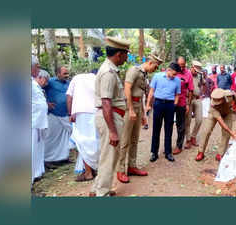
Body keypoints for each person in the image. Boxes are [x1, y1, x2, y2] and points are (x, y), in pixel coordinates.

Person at [89, 36, 130, 197]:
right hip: (110, 118)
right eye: (126, 54)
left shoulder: (110, 69)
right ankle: (102, 193)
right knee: (109, 157)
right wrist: (112, 131)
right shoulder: (108, 72)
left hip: (111, 117)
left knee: (107, 155)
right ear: (119, 54)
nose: (127, 58)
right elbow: (106, 102)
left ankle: (97, 188)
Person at [117, 53, 163, 183]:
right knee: (125, 140)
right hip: (129, 107)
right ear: (149, 63)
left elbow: (141, 95)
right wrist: (130, 109)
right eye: (155, 66)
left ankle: (132, 166)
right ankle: (120, 170)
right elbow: (127, 88)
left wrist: (143, 114)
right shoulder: (134, 70)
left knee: (134, 139)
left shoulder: (144, 74)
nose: (156, 69)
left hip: (138, 107)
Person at [66, 70, 100, 182]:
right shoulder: (96, 79)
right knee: (94, 141)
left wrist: (70, 113)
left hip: (80, 113)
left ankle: (88, 172)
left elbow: (69, 97)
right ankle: (94, 168)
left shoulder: (76, 78)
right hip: (95, 111)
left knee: (83, 141)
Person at [146, 62, 181, 162]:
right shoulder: (157, 76)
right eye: (174, 74)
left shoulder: (177, 80)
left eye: (176, 75)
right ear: (168, 70)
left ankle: (168, 152)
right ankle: (154, 153)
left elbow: (177, 94)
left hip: (170, 105)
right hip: (158, 104)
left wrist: (174, 105)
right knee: (156, 129)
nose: (175, 76)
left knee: (169, 129)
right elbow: (151, 91)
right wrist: (148, 104)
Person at [195, 88, 236, 162]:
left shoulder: (230, 96)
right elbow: (222, 124)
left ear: (223, 98)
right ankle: (200, 152)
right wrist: (233, 134)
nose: (215, 102)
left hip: (227, 113)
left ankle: (220, 153)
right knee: (206, 131)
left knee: (226, 135)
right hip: (214, 114)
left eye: (218, 100)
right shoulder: (212, 106)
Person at [43, 65, 72, 167]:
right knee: (51, 137)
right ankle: (48, 159)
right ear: (58, 74)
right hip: (53, 114)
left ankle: (63, 157)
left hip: (66, 114)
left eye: (67, 73)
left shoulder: (69, 83)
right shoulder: (50, 82)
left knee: (65, 137)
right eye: (64, 74)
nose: (67, 75)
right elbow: (38, 90)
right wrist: (45, 103)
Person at [173, 57, 194, 155]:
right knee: (168, 124)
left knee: (180, 125)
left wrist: (188, 104)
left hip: (181, 102)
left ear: (185, 64)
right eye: (180, 65)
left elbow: (191, 90)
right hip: (171, 101)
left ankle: (179, 146)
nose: (181, 68)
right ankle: (167, 146)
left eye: (183, 65)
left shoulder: (188, 73)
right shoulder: (173, 70)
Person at [32, 69, 49, 183]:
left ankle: (38, 172)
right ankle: (32, 174)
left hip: (40, 123)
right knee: (32, 149)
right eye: (45, 80)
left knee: (38, 148)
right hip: (33, 122)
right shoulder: (31, 85)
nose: (46, 83)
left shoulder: (37, 88)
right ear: (39, 77)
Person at [184, 60, 203, 149]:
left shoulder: (200, 75)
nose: (196, 72)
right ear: (191, 67)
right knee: (187, 121)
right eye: (195, 70)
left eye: (198, 71)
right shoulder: (186, 74)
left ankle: (193, 136)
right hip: (188, 100)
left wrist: (201, 92)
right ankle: (188, 140)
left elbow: (202, 84)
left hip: (198, 99)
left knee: (199, 120)